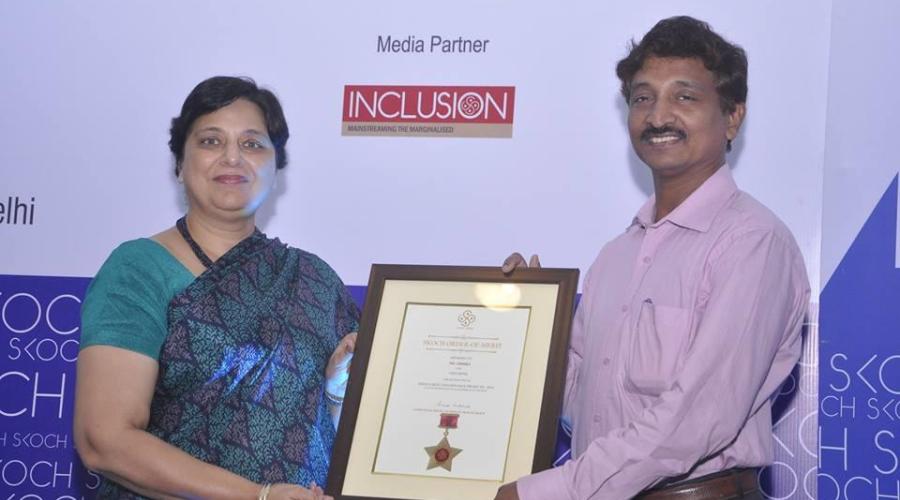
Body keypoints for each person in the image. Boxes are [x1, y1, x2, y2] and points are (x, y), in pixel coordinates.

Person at [498, 16, 810, 500]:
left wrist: (547, 493)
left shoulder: (753, 243)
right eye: (643, 98)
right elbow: (578, 411)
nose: (658, 116)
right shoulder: (616, 257)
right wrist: (538, 325)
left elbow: (698, 418)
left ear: (732, 117)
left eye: (684, 97)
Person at [74, 76, 358, 500]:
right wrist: (257, 496)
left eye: (252, 144)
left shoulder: (315, 280)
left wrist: (335, 392)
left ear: (276, 167)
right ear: (179, 163)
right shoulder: (139, 270)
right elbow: (104, 440)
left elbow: (358, 437)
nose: (232, 158)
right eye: (210, 141)